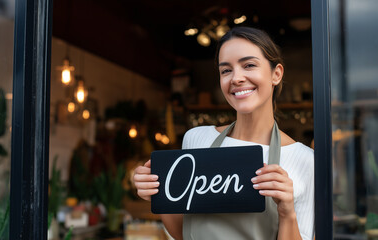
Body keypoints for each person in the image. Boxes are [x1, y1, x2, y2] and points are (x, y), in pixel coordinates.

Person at [133, 27, 314, 240]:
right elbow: (184, 233)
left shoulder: (305, 160)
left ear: (276, 74)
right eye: (226, 70)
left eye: (249, 65)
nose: (236, 78)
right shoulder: (197, 139)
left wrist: (287, 213)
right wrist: (158, 193)